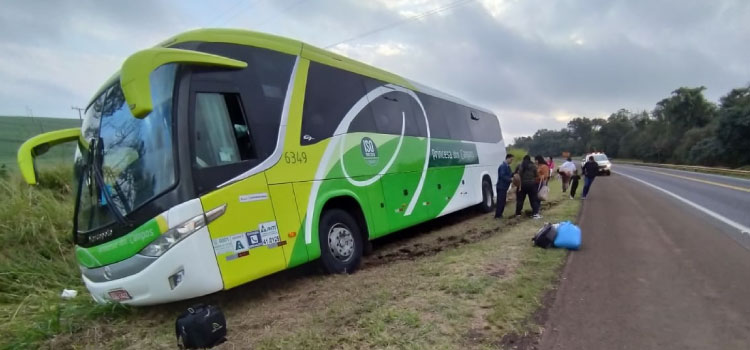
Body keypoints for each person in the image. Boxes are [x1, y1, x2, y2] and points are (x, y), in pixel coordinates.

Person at [495, 153, 514, 219]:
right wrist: (510, 179)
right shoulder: (503, 166)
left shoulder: (508, 166)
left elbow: (510, 174)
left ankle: (500, 214)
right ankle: (497, 215)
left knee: (503, 201)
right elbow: (502, 176)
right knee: (500, 201)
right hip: (501, 187)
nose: (512, 161)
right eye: (511, 160)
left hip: (504, 187)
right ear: (508, 158)